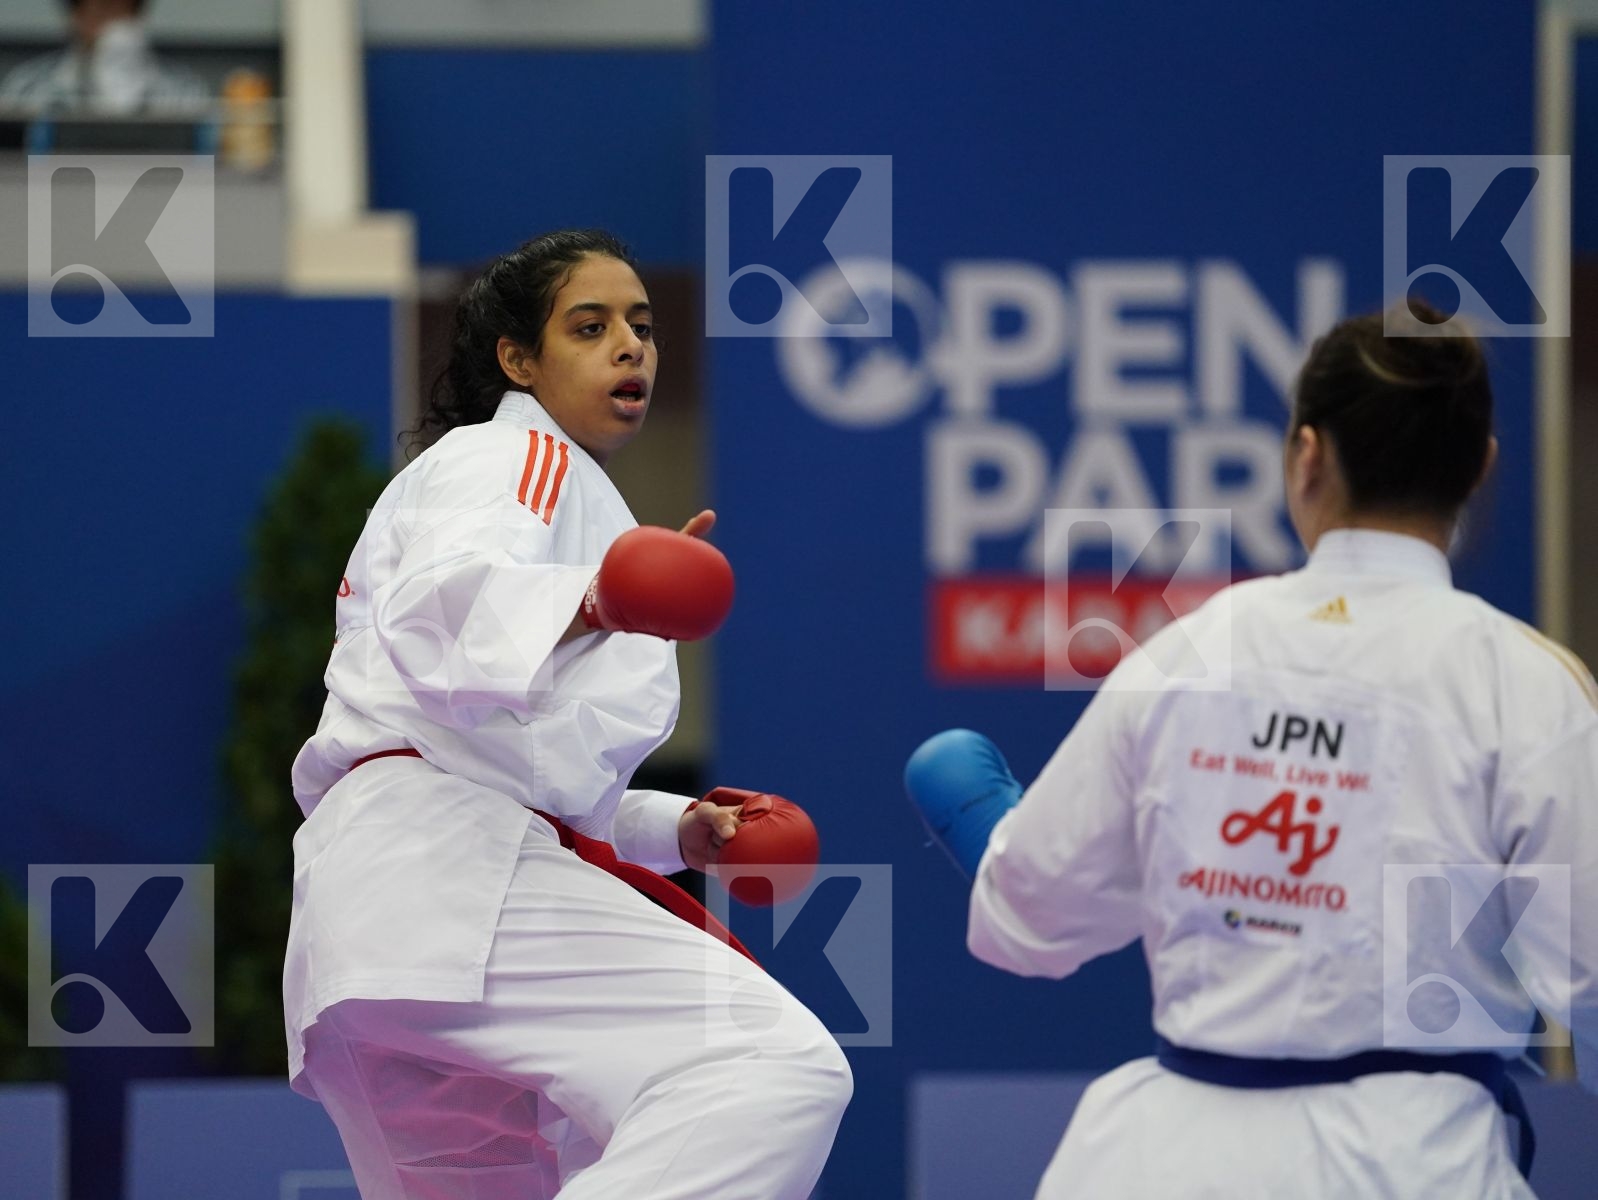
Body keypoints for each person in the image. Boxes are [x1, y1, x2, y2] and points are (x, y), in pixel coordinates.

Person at [906, 301, 1597, 1198]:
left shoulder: (1194, 646)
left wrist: (986, 825)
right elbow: (1587, 974)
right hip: (1418, 1166)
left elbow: (1028, 920)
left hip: (1164, 1167)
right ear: (1480, 468)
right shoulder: (1527, 683)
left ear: (1305, 455)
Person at [286, 229, 851, 1199]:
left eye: (641, 324)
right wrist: (595, 598)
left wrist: (675, 828)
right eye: (588, 327)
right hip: (443, 879)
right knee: (767, 1067)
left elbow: (514, 765)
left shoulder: (570, 499)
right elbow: (441, 609)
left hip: (386, 916)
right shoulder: (513, 456)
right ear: (517, 359)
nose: (630, 346)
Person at [0, 0, 208, 115]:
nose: (114, 26)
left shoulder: (184, 91)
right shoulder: (25, 89)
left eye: (123, 13)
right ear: (76, 17)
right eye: (102, 13)